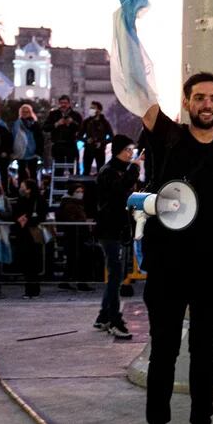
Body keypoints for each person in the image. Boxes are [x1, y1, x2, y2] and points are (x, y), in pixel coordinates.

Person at [140, 72, 213, 424]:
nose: (207, 104)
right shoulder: (167, 136)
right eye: (200, 97)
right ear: (186, 101)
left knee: (205, 353)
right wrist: (127, 35)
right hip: (166, 267)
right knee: (164, 351)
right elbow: (137, 91)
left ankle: (201, 421)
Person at [94, 134, 142, 339]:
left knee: (116, 275)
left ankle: (104, 316)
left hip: (117, 230)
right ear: (117, 152)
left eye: (132, 150)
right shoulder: (109, 172)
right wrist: (134, 169)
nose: (131, 154)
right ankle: (114, 319)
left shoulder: (118, 171)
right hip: (110, 230)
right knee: (115, 276)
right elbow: (119, 193)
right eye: (127, 150)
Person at [13, 178, 48, 299]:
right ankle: (28, 289)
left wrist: (27, 221)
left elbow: (42, 215)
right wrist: (20, 220)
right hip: (23, 236)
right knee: (26, 263)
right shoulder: (21, 200)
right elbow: (15, 214)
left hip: (33, 235)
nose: (21, 188)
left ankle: (34, 289)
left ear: (29, 188)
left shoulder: (39, 200)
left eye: (22, 186)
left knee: (34, 262)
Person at [56, 182, 93, 291]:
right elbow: (72, 219)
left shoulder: (75, 203)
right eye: (77, 191)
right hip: (74, 235)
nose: (80, 193)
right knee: (78, 259)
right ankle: (80, 283)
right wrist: (84, 222)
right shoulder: (70, 204)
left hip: (75, 235)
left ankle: (66, 281)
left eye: (81, 191)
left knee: (73, 260)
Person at [43, 94, 83, 171]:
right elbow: (45, 127)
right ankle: (58, 183)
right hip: (57, 144)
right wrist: (56, 124)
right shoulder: (53, 114)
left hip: (71, 144)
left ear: (69, 104)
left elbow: (81, 128)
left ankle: (74, 182)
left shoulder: (76, 115)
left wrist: (72, 122)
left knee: (73, 167)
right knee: (58, 168)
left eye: (65, 103)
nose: (63, 105)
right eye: (61, 103)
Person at [12, 104, 44, 183]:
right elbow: (13, 136)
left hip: (33, 152)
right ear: (20, 113)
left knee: (33, 173)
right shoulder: (17, 124)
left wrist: (39, 152)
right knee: (21, 173)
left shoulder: (35, 124)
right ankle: (21, 191)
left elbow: (40, 138)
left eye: (27, 112)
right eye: (23, 112)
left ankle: (33, 191)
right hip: (20, 152)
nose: (25, 113)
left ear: (30, 113)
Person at [80, 100, 113, 175]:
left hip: (100, 150)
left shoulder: (104, 122)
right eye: (90, 108)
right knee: (86, 171)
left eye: (93, 108)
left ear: (99, 110)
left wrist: (101, 143)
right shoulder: (86, 122)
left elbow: (111, 137)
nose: (91, 110)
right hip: (88, 149)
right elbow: (79, 136)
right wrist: (86, 140)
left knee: (101, 171)